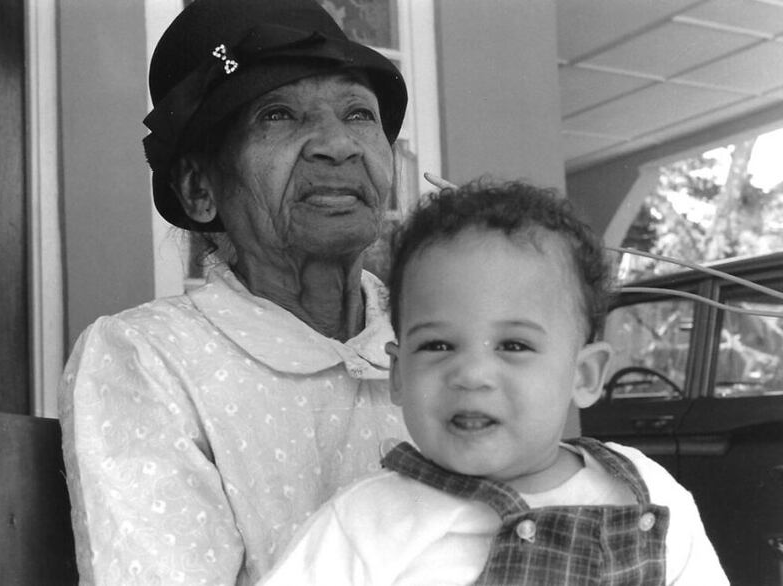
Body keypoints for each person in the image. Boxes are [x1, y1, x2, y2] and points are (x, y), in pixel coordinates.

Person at [58, 0, 411, 583]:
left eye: (357, 113)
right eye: (278, 115)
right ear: (200, 188)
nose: (338, 145)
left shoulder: (442, 333)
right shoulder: (148, 359)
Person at [256, 180, 729, 585]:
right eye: (438, 346)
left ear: (582, 375)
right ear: (398, 376)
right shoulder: (367, 522)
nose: (471, 374)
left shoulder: (646, 491)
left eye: (514, 346)